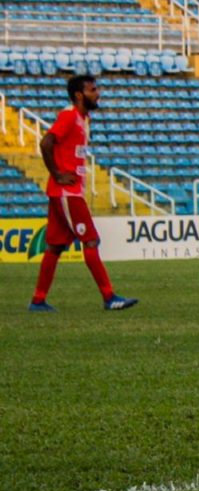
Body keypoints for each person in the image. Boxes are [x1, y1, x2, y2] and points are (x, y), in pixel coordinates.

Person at [28, 74, 138, 313]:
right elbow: (46, 143)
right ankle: (109, 297)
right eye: (93, 89)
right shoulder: (69, 116)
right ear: (79, 95)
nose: (97, 93)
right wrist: (57, 174)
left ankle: (38, 300)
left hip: (65, 193)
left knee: (55, 248)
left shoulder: (82, 118)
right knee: (90, 240)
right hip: (67, 193)